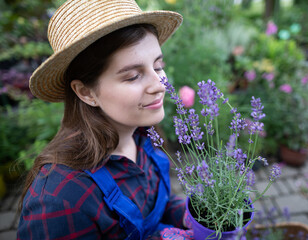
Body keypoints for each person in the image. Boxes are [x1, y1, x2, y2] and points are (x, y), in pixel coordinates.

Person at [17, 0, 191, 239]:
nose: (160, 85)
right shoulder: (61, 197)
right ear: (86, 92)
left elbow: (156, 207)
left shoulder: (144, 136)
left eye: (158, 66)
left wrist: (191, 216)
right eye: (132, 76)